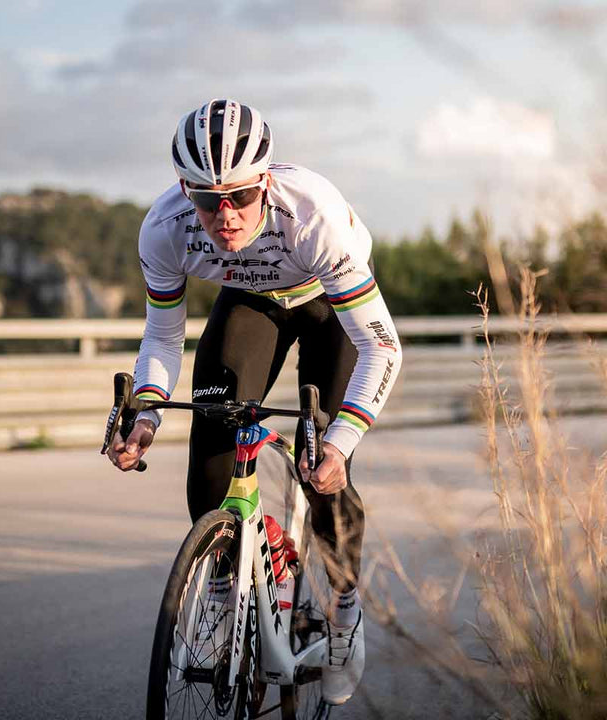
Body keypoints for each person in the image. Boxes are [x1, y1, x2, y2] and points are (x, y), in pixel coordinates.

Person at [106, 98, 402, 705]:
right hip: (249, 299)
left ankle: (343, 610)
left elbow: (384, 349)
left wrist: (341, 443)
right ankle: (222, 583)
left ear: (265, 182)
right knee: (213, 429)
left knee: (322, 469)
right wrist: (146, 415)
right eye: (207, 201)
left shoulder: (313, 217)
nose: (225, 215)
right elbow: (162, 336)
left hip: (329, 303)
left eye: (239, 196)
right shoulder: (164, 228)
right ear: (185, 193)